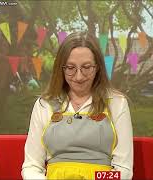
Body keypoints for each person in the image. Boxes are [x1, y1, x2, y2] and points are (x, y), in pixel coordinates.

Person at [22, 32, 133, 179]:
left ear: (98, 67)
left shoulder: (117, 102)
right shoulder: (44, 105)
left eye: (86, 67)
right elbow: (31, 166)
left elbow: (122, 169)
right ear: (61, 68)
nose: (79, 76)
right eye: (70, 68)